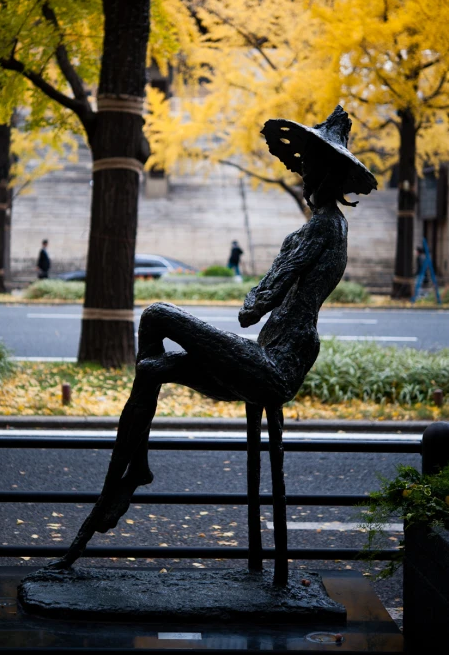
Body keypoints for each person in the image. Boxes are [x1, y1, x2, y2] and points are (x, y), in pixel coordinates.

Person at [42, 106, 377, 577]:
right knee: (150, 369)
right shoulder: (332, 227)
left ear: (326, 174)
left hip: (273, 365)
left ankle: (129, 474)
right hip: (276, 356)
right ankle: (133, 471)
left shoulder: (319, 228)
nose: (302, 172)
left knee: (157, 315)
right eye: (302, 164)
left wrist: (273, 270)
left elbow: (252, 308)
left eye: (309, 165)